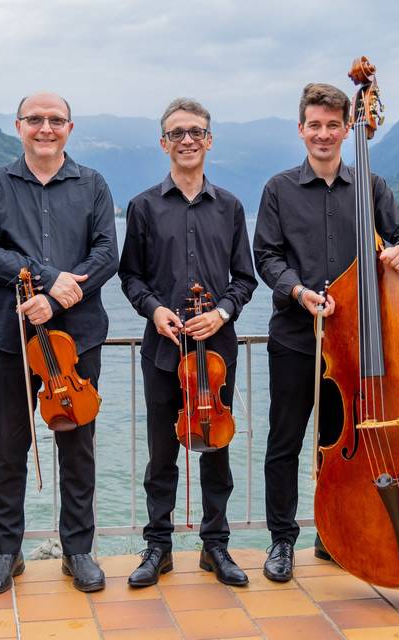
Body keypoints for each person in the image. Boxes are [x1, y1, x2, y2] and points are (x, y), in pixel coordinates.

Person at [252, 83, 399, 583]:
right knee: (285, 441)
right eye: (315, 125)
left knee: (341, 440)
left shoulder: (370, 187)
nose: (324, 134)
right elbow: (266, 256)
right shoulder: (278, 189)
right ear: (301, 130)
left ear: (347, 128)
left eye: (334, 125)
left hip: (355, 343)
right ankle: (281, 542)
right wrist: (298, 292)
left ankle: (333, 534)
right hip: (295, 334)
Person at [0, 92, 119, 594]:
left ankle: (78, 550)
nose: (45, 128)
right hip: (9, 336)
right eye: (35, 120)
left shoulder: (93, 184)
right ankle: (5, 552)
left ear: (70, 129)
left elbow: (106, 255)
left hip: (77, 339)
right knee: (10, 445)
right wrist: (47, 277)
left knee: (77, 445)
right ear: (19, 126)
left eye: (56, 120)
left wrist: (53, 301)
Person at [119, 98, 258, 587]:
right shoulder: (142, 206)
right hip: (163, 352)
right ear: (164, 143)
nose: (187, 140)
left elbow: (245, 279)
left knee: (215, 449)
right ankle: (158, 547)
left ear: (209, 140)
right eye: (177, 133)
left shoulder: (232, 207)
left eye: (195, 131)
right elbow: (130, 277)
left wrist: (220, 312)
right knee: (162, 454)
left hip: (216, 353)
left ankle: (214, 547)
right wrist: (154, 310)